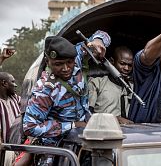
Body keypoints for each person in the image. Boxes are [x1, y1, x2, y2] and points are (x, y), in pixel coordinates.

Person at [22, 30, 110, 165]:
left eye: (69, 62)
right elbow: (30, 126)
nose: (66, 68)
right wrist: (71, 125)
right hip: (59, 150)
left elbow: (101, 34)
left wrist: (98, 42)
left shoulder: (77, 57)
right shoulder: (44, 90)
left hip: (85, 142)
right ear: (48, 61)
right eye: (58, 64)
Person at [88, 46, 134, 124]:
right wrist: (115, 119)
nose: (126, 68)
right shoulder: (96, 83)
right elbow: (87, 115)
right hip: (102, 130)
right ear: (112, 61)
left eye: (130, 65)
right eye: (122, 64)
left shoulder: (133, 87)